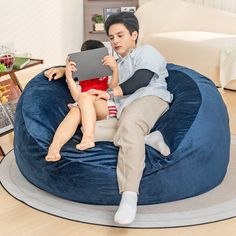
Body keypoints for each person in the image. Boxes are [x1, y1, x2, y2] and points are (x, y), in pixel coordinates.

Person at [44, 12, 172, 224]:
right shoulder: (115, 65)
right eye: (111, 38)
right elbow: (87, 70)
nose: (115, 41)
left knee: (129, 126)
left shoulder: (147, 52)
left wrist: (110, 94)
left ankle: (129, 196)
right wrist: (60, 69)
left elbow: (142, 79)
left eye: (120, 35)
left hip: (148, 99)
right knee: (85, 128)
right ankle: (148, 138)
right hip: (123, 111)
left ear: (134, 35)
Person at [44, 39, 119, 162]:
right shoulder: (78, 76)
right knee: (75, 110)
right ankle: (55, 146)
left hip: (104, 105)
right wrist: (68, 76)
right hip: (85, 108)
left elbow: (113, 88)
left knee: (84, 96)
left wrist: (115, 70)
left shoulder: (107, 71)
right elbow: (77, 97)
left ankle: (88, 136)